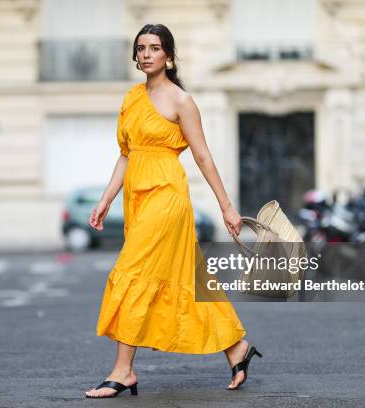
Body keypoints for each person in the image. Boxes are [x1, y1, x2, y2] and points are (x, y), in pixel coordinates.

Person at [86, 23, 262, 399]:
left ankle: (123, 371)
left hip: (166, 197)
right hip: (138, 198)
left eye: (154, 47)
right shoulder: (131, 98)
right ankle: (237, 348)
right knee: (187, 278)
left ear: (168, 54)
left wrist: (227, 207)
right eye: (141, 48)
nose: (146, 54)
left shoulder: (181, 101)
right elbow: (126, 156)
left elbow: (202, 157)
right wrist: (105, 200)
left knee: (131, 273)